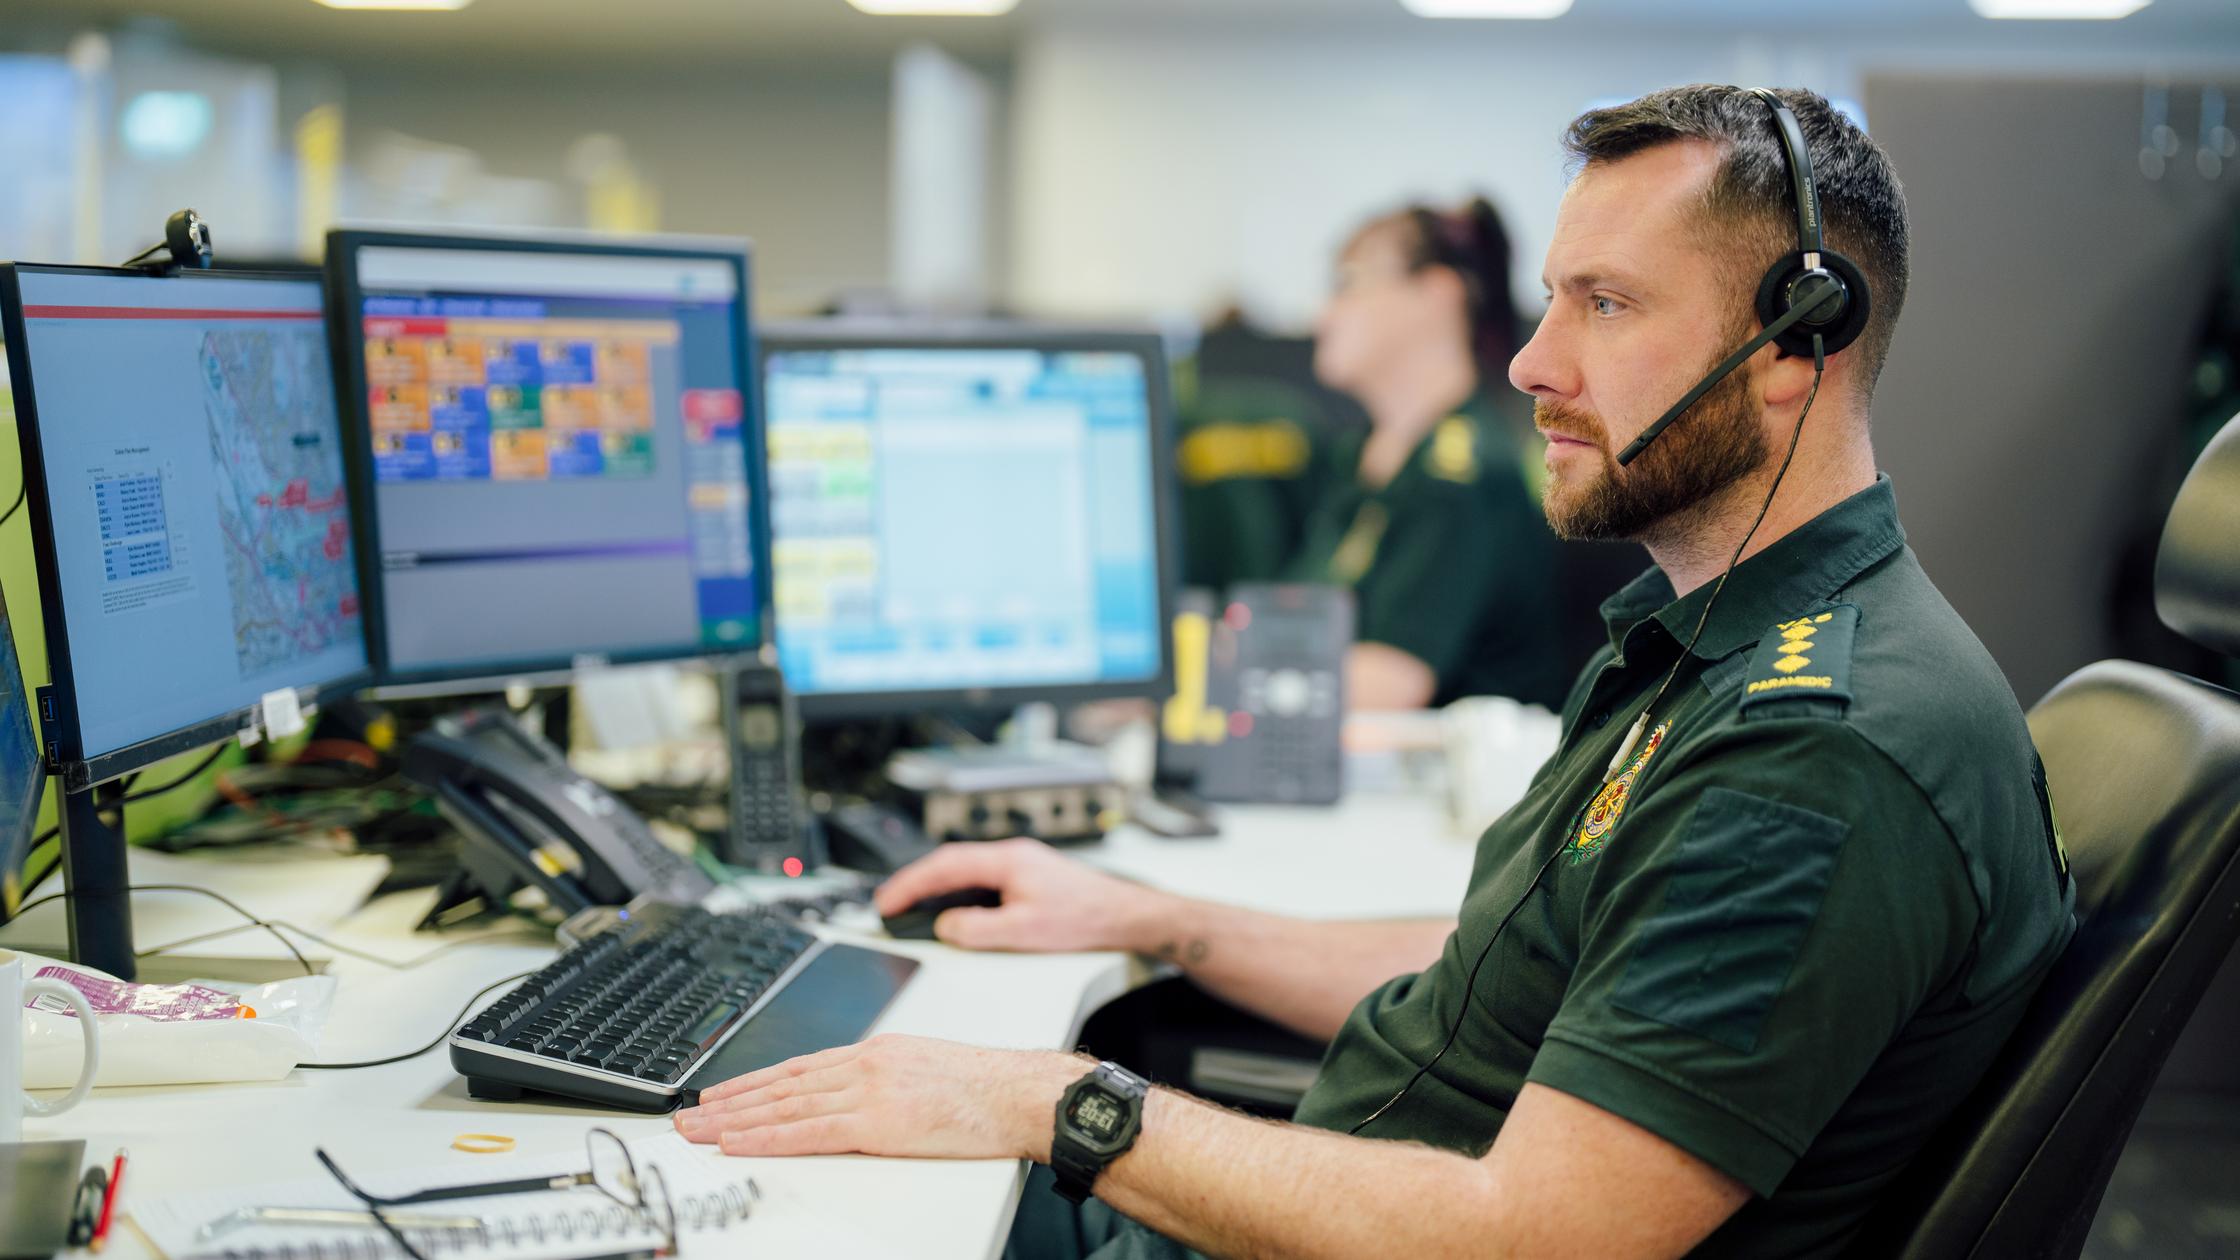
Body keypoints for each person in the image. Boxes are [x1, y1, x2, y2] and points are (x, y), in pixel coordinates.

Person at [675, 85, 2077, 1259]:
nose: (1531, 363)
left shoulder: (1813, 755)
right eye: (1549, 302)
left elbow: (1535, 1235)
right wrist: (1162, 919)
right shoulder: (1707, 646)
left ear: (1796, 349)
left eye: (1604, 304)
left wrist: (1065, 1104)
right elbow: (1513, 978)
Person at [1285, 196, 1567, 710]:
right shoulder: (1359, 459)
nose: (1323, 315)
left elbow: (1388, 684)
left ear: (1435, 295)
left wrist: (1218, 676)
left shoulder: (1465, 475)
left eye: (1347, 285)